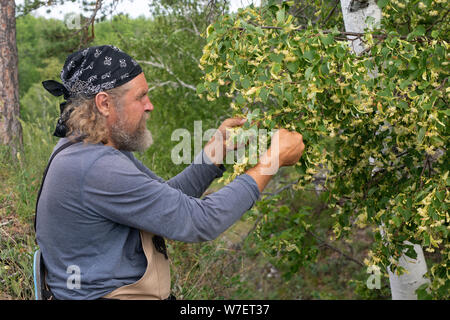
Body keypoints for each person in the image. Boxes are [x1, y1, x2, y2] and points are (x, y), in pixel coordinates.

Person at [36, 45, 304, 300]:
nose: (149, 105)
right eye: (140, 97)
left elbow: (165, 199)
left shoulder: (88, 147)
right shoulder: (95, 168)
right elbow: (200, 221)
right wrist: (271, 161)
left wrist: (213, 156)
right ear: (104, 104)